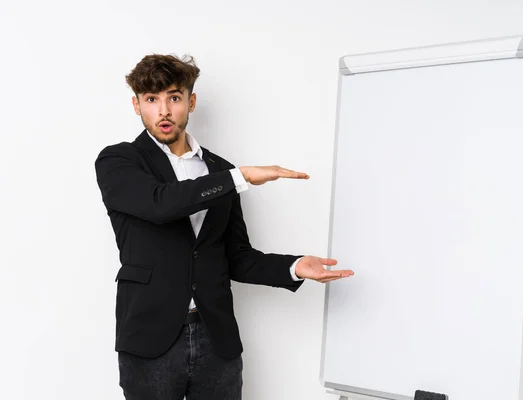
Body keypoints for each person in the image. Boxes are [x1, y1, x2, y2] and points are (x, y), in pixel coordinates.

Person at [94, 53, 354, 400]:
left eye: (173, 97)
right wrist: (239, 177)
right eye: (151, 100)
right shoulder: (119, 160)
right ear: (136, 105)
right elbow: (160, 203)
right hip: (150, 339)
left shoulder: (220, 170)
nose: (164, 111)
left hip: (215, 340)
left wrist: (293, 266)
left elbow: (237, 257)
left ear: (191, 101)